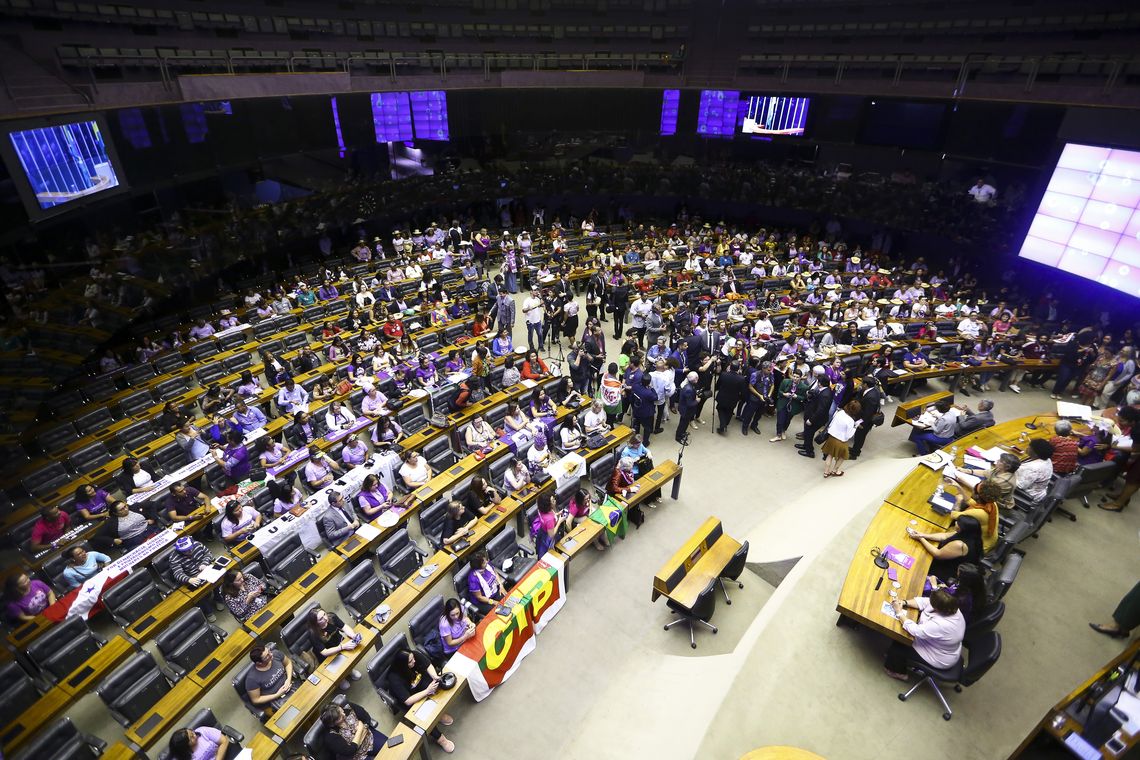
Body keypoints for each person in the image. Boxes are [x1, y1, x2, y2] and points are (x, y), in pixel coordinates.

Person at [883, 588, 966, 681]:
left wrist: (899, 612)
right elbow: (925, 602)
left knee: (899, 644)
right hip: (942, 647)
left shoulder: (942, 625)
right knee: (900, 639)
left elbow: (915, 630)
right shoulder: (949, 605)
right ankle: (895, 659)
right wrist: (904, 602)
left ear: (937, 608)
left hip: (938, 657)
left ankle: (898, 672)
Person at [386, 649, 456, 754]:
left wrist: (434, 676)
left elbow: (428, 665)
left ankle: (439, 714)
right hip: (409, 697)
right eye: (410, 661)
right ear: (403, 665)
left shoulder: (412, 655)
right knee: (423, 717)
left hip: (419, 683)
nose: (414, 661)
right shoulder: (394, 678)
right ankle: (440, 739)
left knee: (436, 687)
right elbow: (408, 701)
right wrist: (427, 691)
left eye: (413, 658)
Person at [907, 515, 984, 580]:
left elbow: (937, 554)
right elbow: (944, 536)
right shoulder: (969, 535)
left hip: (944, 570)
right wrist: (923, 535)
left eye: (958, 523)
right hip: (945, 560)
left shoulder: (959, 545)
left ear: (963, 528)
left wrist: (921, 539)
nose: (956, 523)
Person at [306, 606, 363, 690]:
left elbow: (344, 627)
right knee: (343, 682)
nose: (325, 618)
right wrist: (342, 647)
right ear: (315, 623)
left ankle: (350, 671)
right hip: (328, 655)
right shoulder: (313, 634)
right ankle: (340, 679)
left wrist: (353, 635)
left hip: (339, 643)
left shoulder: (331, 617)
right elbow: (324, 652)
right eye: (321, 619)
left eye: (324, 614)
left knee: (349, 659)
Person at [947, 479, 1002, 553]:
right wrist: (958, 487)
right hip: (989, 539)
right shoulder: (992, 503)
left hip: (979, 547)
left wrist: (959, 501)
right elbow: (974, 503)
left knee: (946, 529)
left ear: (978, 496)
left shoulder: (979, 513)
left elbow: (954, 515)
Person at [318, 701, 385, 760]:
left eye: (341, 711)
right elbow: (350, 751)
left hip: (369, 739)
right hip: (355, 756)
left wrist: (357, 740)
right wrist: (360, 728)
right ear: (332, 724)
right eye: (340, 717)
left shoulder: (349, 707)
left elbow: (366, 717)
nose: (344, 714)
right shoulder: (330, 736)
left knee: (390, 746)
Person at [244, 644, 296, 711]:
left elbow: (288, 663)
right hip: (274, 700)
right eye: (267, 656)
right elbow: (256, 699)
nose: (271, 654)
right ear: (259, 663)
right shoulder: (252, 679)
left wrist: (288, 680)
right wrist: (277, 695)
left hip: (289, 686)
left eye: (269, 651)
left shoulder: (276, 654)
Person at [797, 367, 834, 459]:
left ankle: (810, 452)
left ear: (820, 384)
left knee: (809, 434)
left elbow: (821, 410)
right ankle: (805, 445)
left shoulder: (825, 394)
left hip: (816, 419)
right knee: (807, 432)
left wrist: (811, 420)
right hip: (811, 413)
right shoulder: (824, 390)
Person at [823, 400, 861, 478]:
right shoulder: (850, 421)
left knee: (829, 455)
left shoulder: (840, 413)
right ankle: (835, 471)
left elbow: (832, 423)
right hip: (841, 441)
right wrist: (855, 427)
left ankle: (826, 472)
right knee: (842, 456)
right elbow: (848, 435)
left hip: (831, 438)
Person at [849, 375, 882, 459]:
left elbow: (868, 413)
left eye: (862, 383)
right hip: (862, 416)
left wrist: (860, 423)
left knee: (859, 437)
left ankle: (855, 453)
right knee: (858, 436)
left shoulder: (872, 397)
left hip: (865, 422)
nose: (861, 384)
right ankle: (854, 449)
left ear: (866, 385)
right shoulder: (869, 390)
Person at [770, 368, 806, 443]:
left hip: (793, 406)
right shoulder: (785, 381)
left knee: (787, 420)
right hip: (783, 403)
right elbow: (779, 391)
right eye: (794, 376)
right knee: (780, 420)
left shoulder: (804, 387)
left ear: (801, 377)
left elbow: (804, 398)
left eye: (797, 377)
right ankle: (778, 435)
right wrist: (784, 394)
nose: (795, 378)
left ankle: (783, 430)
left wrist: (797, 397)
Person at [466, 550, 506, 617]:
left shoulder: (487, 565)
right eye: (484, 562)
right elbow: (479, 597)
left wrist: (501, 585)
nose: (487, 562)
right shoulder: (473, 579)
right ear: (479, 565)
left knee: (507, 600)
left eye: (486, 560)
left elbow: (495, 573)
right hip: (482, 601)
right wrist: (493, 602)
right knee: (498, 613)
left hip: (494, 591)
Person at [1017, 438, 1055, 504]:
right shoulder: (1047, 459)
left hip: (1027, 496)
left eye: (1029, 447)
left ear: (1035, 454)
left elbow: (1020, 486)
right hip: (1039, 491)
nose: (1027, 448)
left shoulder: (1033, 468)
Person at [675, 371, 700, 443]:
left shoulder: (689, 385)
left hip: (685, 409)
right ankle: (678, 437)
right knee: (683, 424)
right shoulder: (689, 389)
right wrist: (697, 401)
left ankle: (682, 433)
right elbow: (690, 404)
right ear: (695, 379)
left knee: (684, 423)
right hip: (686, 410)